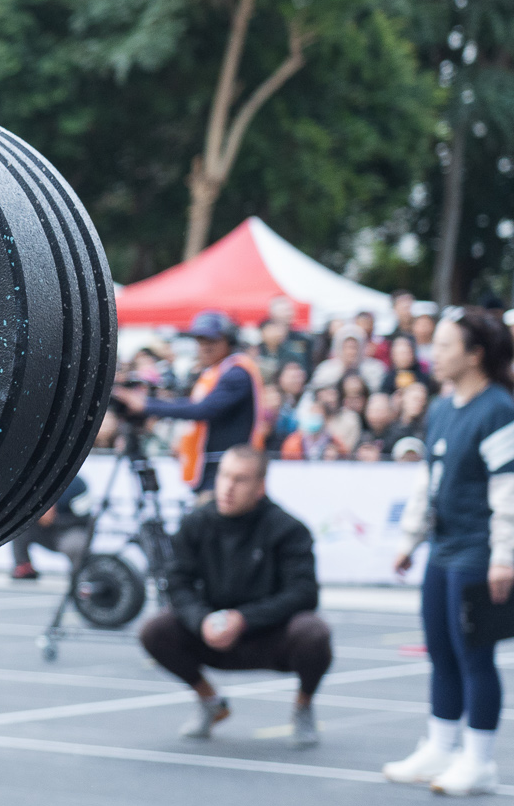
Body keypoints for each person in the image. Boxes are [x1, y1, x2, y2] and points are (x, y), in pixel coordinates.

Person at [387, 307, 514, 797]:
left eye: (444, 346)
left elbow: (508, 490)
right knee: (440, 651)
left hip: (478, 553)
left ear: (475, 354)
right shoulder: (441, 407)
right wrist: (410, 539)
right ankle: (440, 745)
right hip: (442, 550)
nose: (433, 354)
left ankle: (479, 760)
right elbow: (428, 480)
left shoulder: (499, 408)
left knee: (474, 658)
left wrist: (505, 556)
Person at [138, 446, 329, 747]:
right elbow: (177, 582)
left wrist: (244, 620)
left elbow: (304, 594)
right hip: (211, 631)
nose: (227, 487)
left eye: (240, 479)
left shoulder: (289, 529)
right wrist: (200, 620)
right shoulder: (196, 523)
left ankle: (303, 706)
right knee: (155, 630)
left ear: (260, 487)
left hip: (269, 636)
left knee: (314, 633)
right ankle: (210, 701)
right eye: (224, 476)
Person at [115, 310, 264, 495]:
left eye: (212, 341)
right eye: (200, 340)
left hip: (225, 469)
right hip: (214, 466)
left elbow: (202, 409)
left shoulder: (236, 373)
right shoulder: (218, 371)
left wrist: (147, 405)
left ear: (229, 341)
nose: (204, 347)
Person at [312, 330, 387, 394]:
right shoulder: (326, 368)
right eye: (346, 347)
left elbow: (377, 390)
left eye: (354, 347)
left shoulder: (375, 368)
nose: (351, 352)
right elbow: (317, 390)